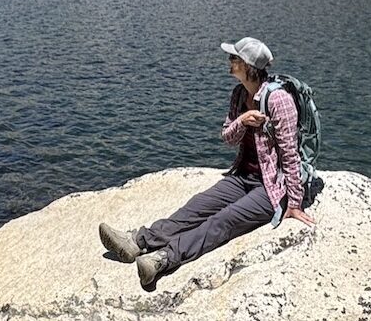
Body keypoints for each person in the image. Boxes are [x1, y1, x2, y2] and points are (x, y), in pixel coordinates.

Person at [98, 36, 316, 291]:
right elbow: (227, 137)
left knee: (224, 220)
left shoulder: (279, 100)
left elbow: (290, 154)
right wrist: (242, 121)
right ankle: (138, 240)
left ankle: (164, 259)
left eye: (234, 58)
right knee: (197, 206)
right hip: (243, 177)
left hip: (271, 188)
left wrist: (294, 203)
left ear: (248, 66)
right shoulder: (239, 94)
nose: (229, 61)